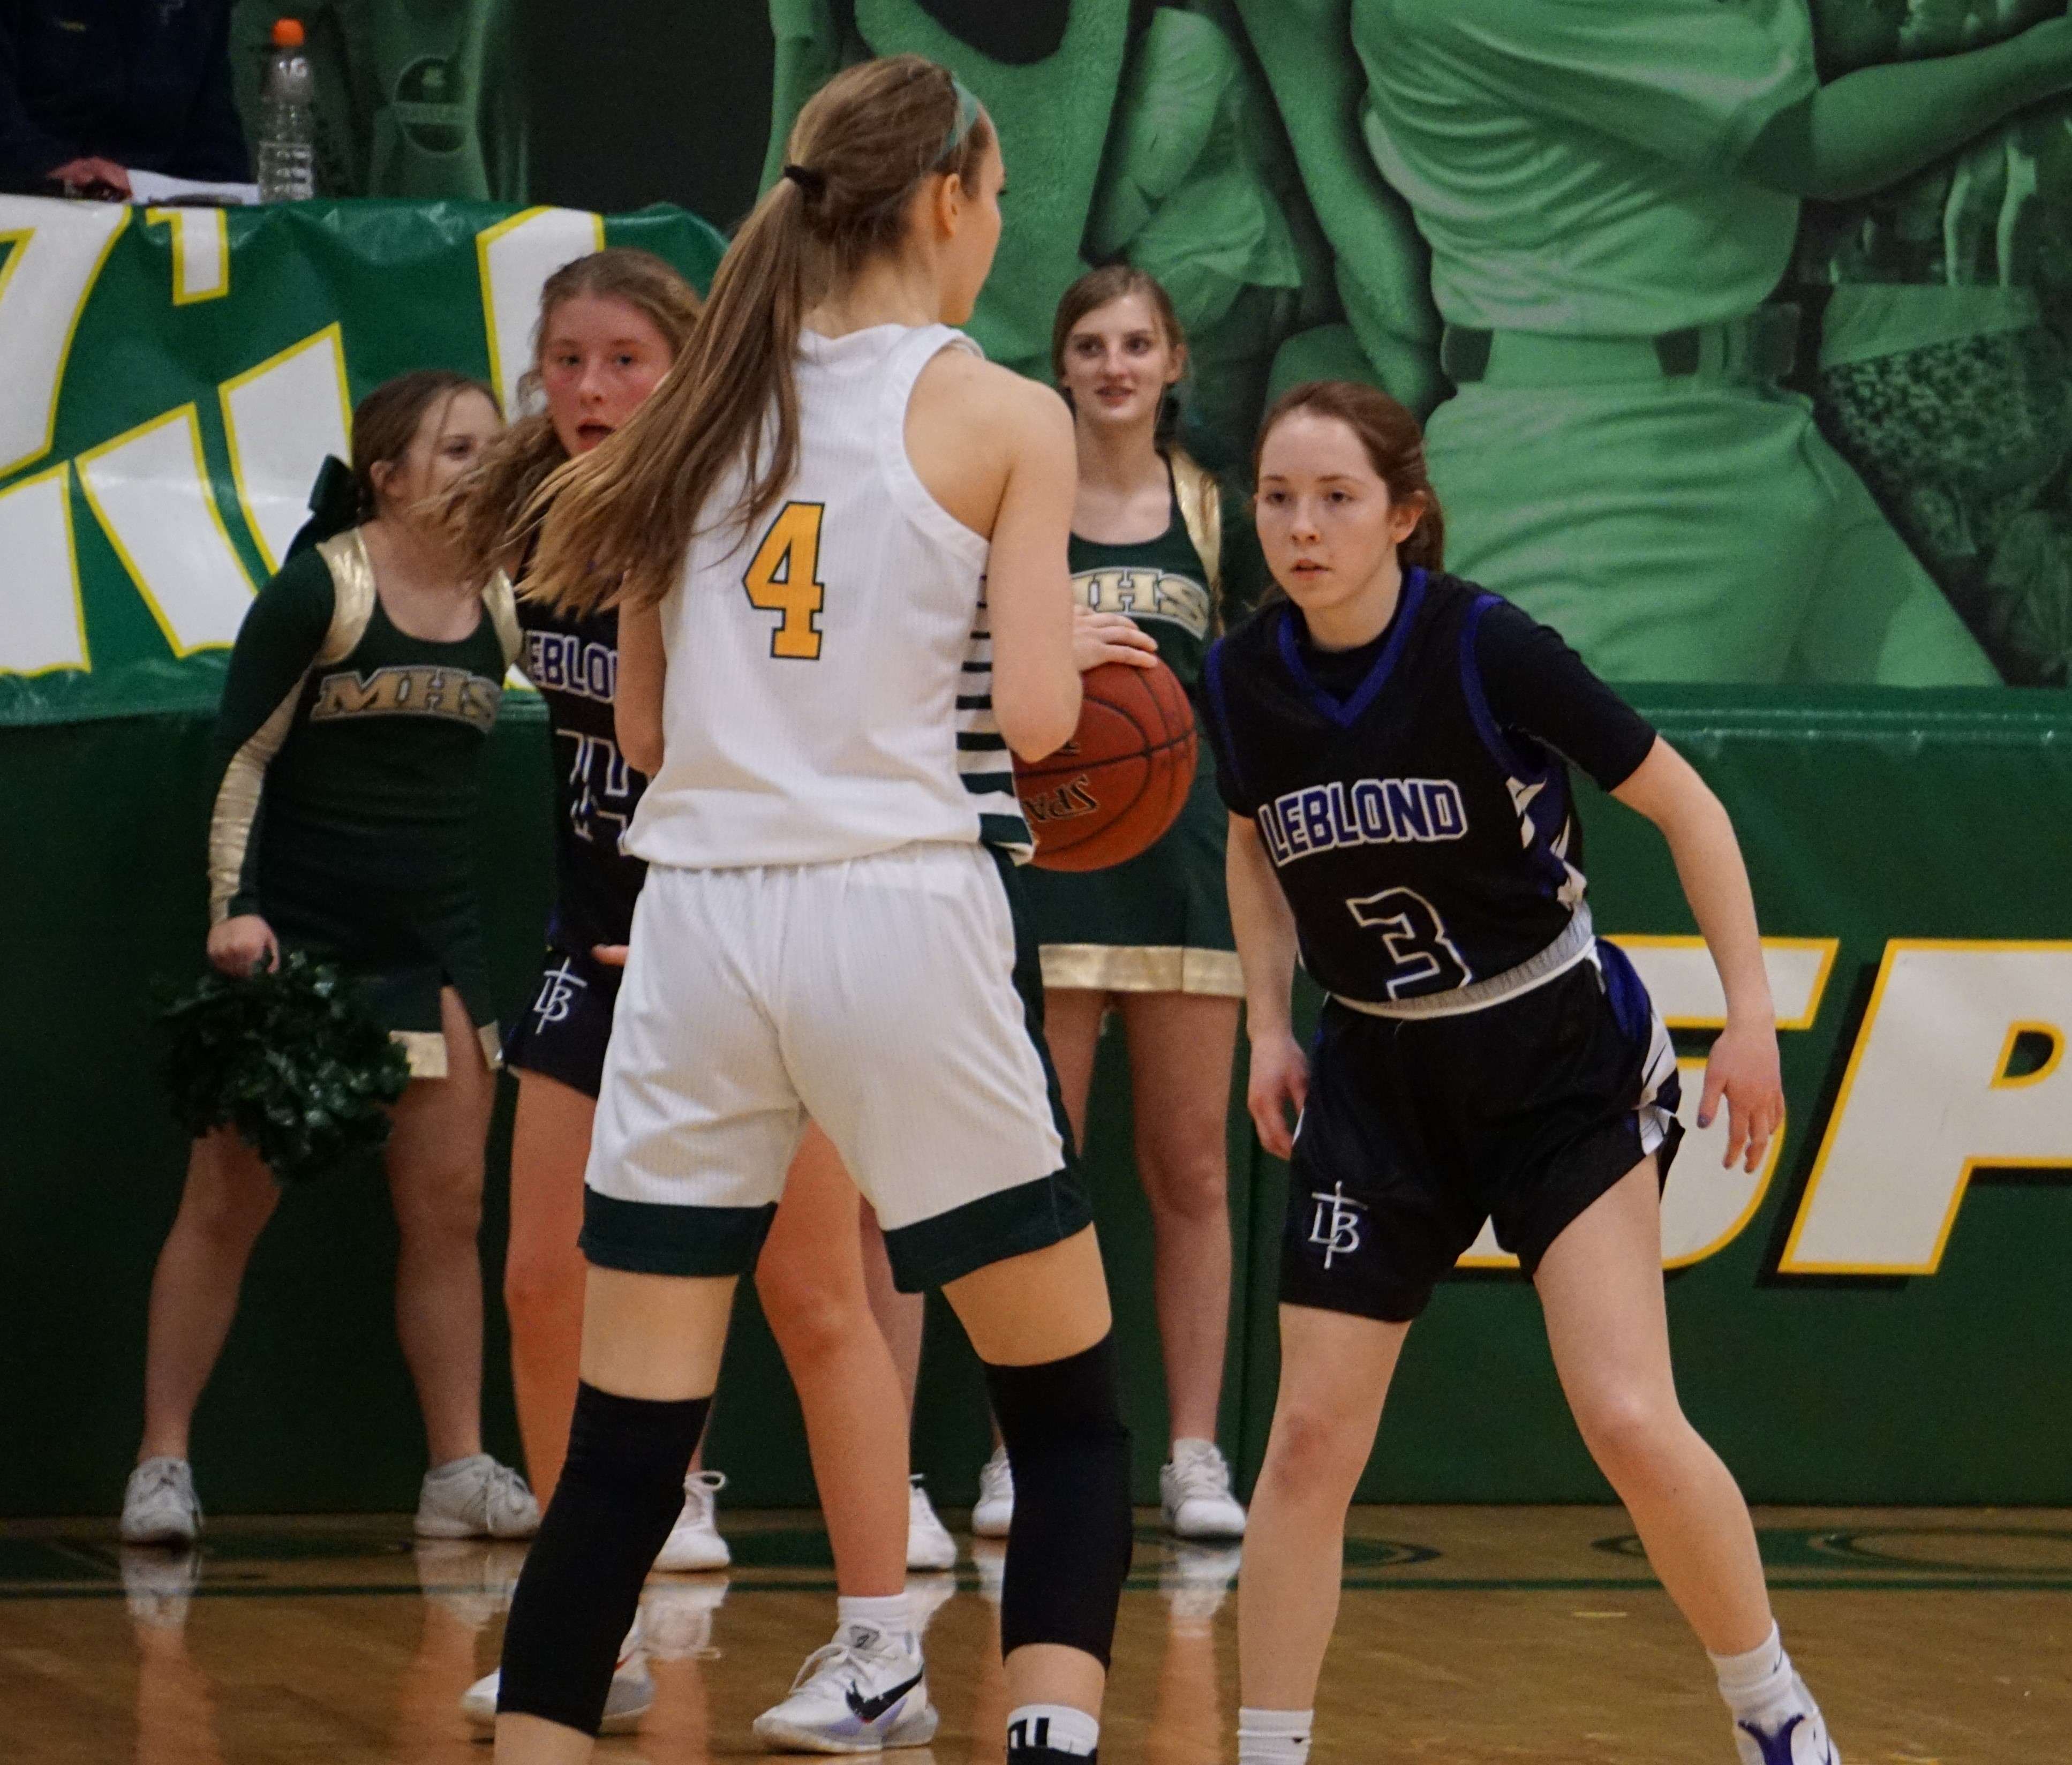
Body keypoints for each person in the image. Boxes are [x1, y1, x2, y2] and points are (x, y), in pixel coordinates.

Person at [489, 55, 1140, 1765]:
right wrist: (1097, 657)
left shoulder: (695, 402)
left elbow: (635, 735)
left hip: (691, 925)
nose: (995, 233)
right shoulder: (1002, 413)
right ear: (942, 199)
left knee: (622, 1458)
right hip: (891, 907)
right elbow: (1050, 729)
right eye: (993, 201)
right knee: (1065, 1426)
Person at [1204, 381, 1837, 1765]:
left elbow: (1686, 804)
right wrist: (1265, 1019)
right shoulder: (1240, 678)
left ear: (1404, 513)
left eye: (1334, 499)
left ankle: (1769, 1708)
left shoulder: (1484, 647)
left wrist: (1748, 1014)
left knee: (1620, 1412)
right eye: (1274, 498)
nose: (1300, 528)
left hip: (1551, 1053)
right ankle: (1265, 1751)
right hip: (1374, 1072)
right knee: (1307, 1439)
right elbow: (1250, 849)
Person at [445, 245, 963, 1746]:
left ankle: (883, 1650)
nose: (592, 388)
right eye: (566, 361)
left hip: (739, 931)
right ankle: (581, 1633)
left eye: (624, 359)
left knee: (809, 1292)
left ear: (687, 366)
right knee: (542, 1281)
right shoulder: (533, 503)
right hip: (591, 940)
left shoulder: (740, 501)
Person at [1265, 0, 2072, 687]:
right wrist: (2045, 57)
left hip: (1746, 431)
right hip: (1609, 485)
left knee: (1990, 831)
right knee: (1600, 859)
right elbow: (1813, 145)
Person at [122, 370, 538, 1551]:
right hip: (300, 948)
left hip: (438, 948)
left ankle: (456, 1468)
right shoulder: (324, 586)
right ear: (386, 473)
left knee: (448, 1213)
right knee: (224, 1205)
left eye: (486, 448)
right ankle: (162, 1460)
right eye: (452, 449)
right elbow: (241, 757)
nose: (475, 466)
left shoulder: (503, 600)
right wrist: (235, 909)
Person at [980, 264, 1246, 1545]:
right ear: (1060, 364)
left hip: (1186, 866)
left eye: (1136, 343)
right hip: (1047, 860)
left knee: (1190, 1167)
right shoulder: (1017, 507)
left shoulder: (1214, 510)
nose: (1113, 365)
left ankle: (1193, 1448)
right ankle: (1017, 1449)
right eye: (1088, 343)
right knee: (1040, 1164)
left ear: (1174, 361)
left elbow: (1252, 693)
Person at [0, 0, 248, 195]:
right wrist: (47, 166)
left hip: (159, 212)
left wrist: (227, 203)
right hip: (34, 200)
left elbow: (213, 133)